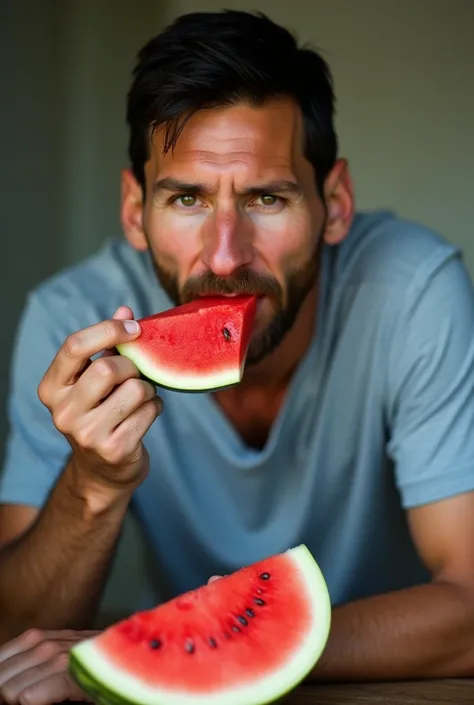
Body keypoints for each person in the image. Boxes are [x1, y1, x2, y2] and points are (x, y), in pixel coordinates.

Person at [1, 7, 474, 703]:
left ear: (334, 203)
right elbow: (16, 641)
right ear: (136, 212)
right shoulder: (72, 323)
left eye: (267, 197)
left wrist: (226, 647)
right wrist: (93, 484)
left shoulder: (414, 293)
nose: (226, 254)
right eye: (187, 197)